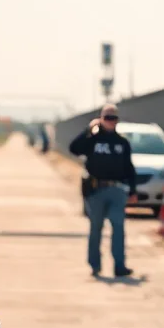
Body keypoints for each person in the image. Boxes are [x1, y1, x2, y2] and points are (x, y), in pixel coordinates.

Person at [68, 104, 136, 278]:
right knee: (96, 228)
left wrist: (133, 190)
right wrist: (88, 130)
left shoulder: (122, 143)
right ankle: (95, 265)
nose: (110, 121)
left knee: (118, 226)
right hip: (96, 190)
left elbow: (129, 168)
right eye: (107, 118)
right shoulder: (93, 140)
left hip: (117, 190)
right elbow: (74, 148)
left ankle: (119, 266)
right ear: (101, 119)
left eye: (113, 118)